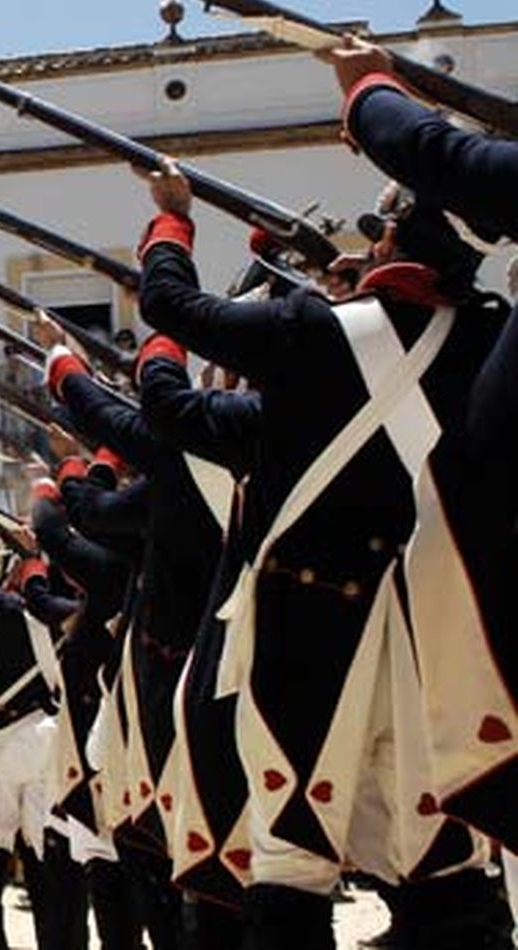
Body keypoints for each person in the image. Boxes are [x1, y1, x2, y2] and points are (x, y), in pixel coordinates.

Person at [137, 159, 507, 948]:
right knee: (440, 855)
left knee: (292, 857)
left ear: (394, 247)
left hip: (307, 633)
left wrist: (172, 218)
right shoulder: (486, 338)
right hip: (430, 631)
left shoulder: (310, 333)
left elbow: (169, 306)